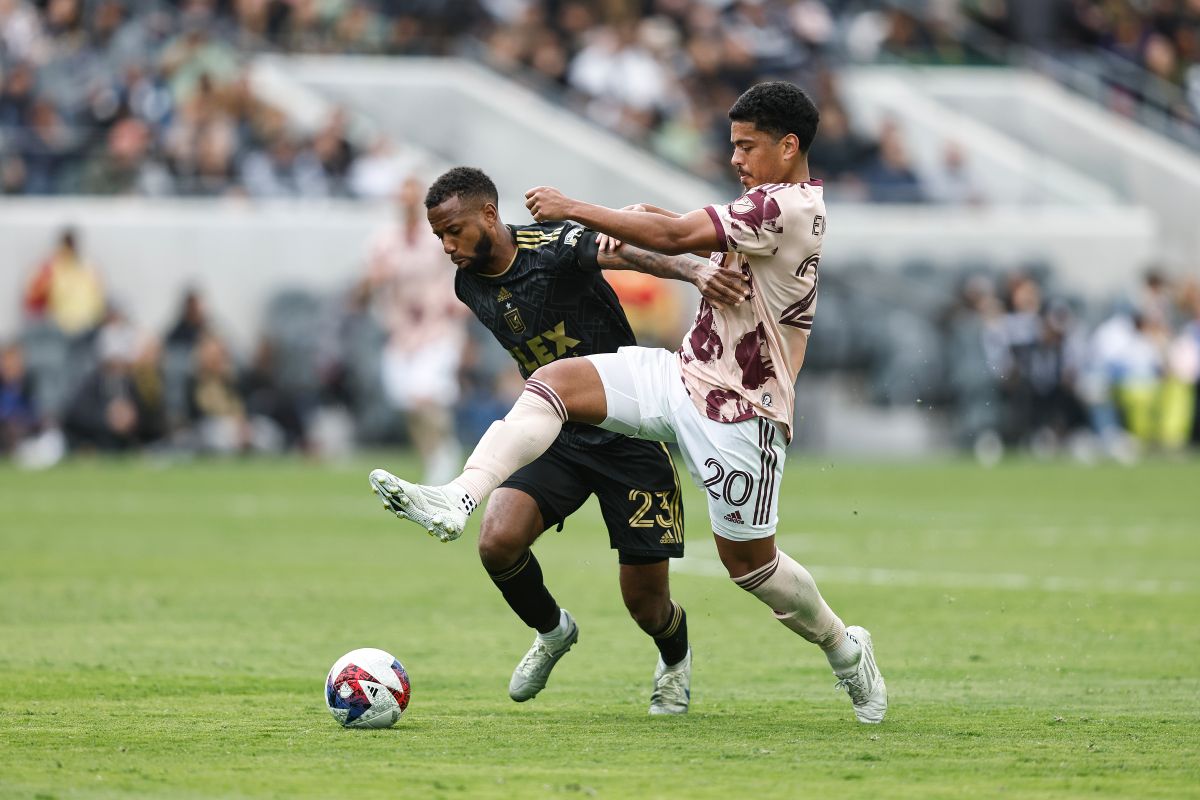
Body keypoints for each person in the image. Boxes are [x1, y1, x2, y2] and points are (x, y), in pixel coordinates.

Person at [369, 82, 887, 723]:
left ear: (789, 146)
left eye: (747, 146)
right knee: (553, 382)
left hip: (739, 410)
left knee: (749, 567)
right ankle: (458, 496)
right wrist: (667, 239)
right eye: (732, 145)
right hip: (680, 376)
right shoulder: (764, 202)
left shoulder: (791, 207)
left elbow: (673, 236)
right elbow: (678, 235)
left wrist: (575, 208)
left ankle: (844, 646)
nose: (735, 158)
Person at [372, 166, 749, 714]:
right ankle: (553, 632)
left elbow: (624, 253)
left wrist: (691, 268)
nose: (447, 246)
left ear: (489, 215)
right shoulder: (468, 284)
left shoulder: (553, 244)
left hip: (629, 432)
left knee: (645, 605)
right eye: (438, 236)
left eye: (454, 230)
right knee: (497, 540)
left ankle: (674, 662)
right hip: (555, 435)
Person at [367, 175, 469, 484]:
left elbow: (463, 274)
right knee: (405, 400)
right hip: (401, 333)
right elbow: (365, 286)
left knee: (426, 393)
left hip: (437, 328)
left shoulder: (440, 237)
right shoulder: (384, 241)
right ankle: (434, 457)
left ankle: (445, 454)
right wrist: (375, 280)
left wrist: (459, 310)